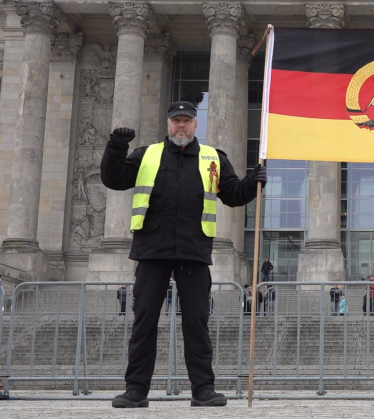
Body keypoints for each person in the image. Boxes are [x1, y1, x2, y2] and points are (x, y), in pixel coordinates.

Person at [103, 101, 267, 408]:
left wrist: (252, 183)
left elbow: (232, 195)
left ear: (195, 125)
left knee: (196, 322)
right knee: (144, 322)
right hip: (153, 250)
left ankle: (203, 389)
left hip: (193, 251)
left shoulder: (212, 158)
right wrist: (116, 146)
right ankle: (136, 389)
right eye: (176, 121)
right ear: (168, 125)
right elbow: (114, 179)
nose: (181, 126)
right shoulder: (146, 154)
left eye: (187, 121)